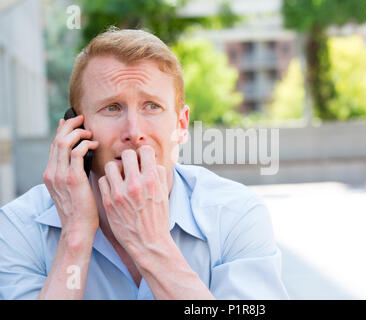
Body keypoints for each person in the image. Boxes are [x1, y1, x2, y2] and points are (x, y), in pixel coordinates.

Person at [0, 28, 288, 300]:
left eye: (152, 106)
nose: (133, 130)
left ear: (181, 124)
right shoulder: (18, 227)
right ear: (75, 130)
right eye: (112, 108)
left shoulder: (236, 215)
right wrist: (75, 235)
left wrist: (151, 244)